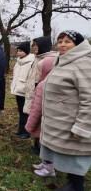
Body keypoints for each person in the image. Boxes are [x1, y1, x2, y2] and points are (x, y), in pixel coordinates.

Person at [40, 31, 91, 191]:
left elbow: (89, 98)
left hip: (72, 123)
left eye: (68, 41)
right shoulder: (62, 61)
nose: (62, 44)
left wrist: (82, 126)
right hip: (60, 122)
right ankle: (71, 183)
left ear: (78, 45)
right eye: (60, 41)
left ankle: (75, 187)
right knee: (70, 158)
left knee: (76, 157)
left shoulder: (83, 64)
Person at [23, 36, 57, 154]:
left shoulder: (51, 59)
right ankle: (36, 144)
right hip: (34, 93)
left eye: (36, 45)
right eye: (33, 45)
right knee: (35, 118)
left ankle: (41, 147)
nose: (34, 48)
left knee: (41, 121)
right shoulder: (37, 58)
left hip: (43, 94)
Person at [24, 57, 56, 178]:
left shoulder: (43, 85)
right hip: (46, 121)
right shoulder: (48, 82)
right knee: (44, 143)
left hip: (43, 121)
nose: (38, 73)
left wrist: (30, 124)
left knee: (46, 144)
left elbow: (36, 108)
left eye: (39, 70)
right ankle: (44, 164)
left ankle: (48, 168)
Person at [10, 41, 34, 139]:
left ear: (26, 51)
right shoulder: (18, 62)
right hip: (18, 90)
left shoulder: (31, 62)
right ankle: (20, 129)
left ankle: (26, 131)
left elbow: (31, 78)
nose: (19, 53)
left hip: (25, 91)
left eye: (21, 51)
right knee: (20, 111)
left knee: (26, 112)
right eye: (18, 51)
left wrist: (26, 88)